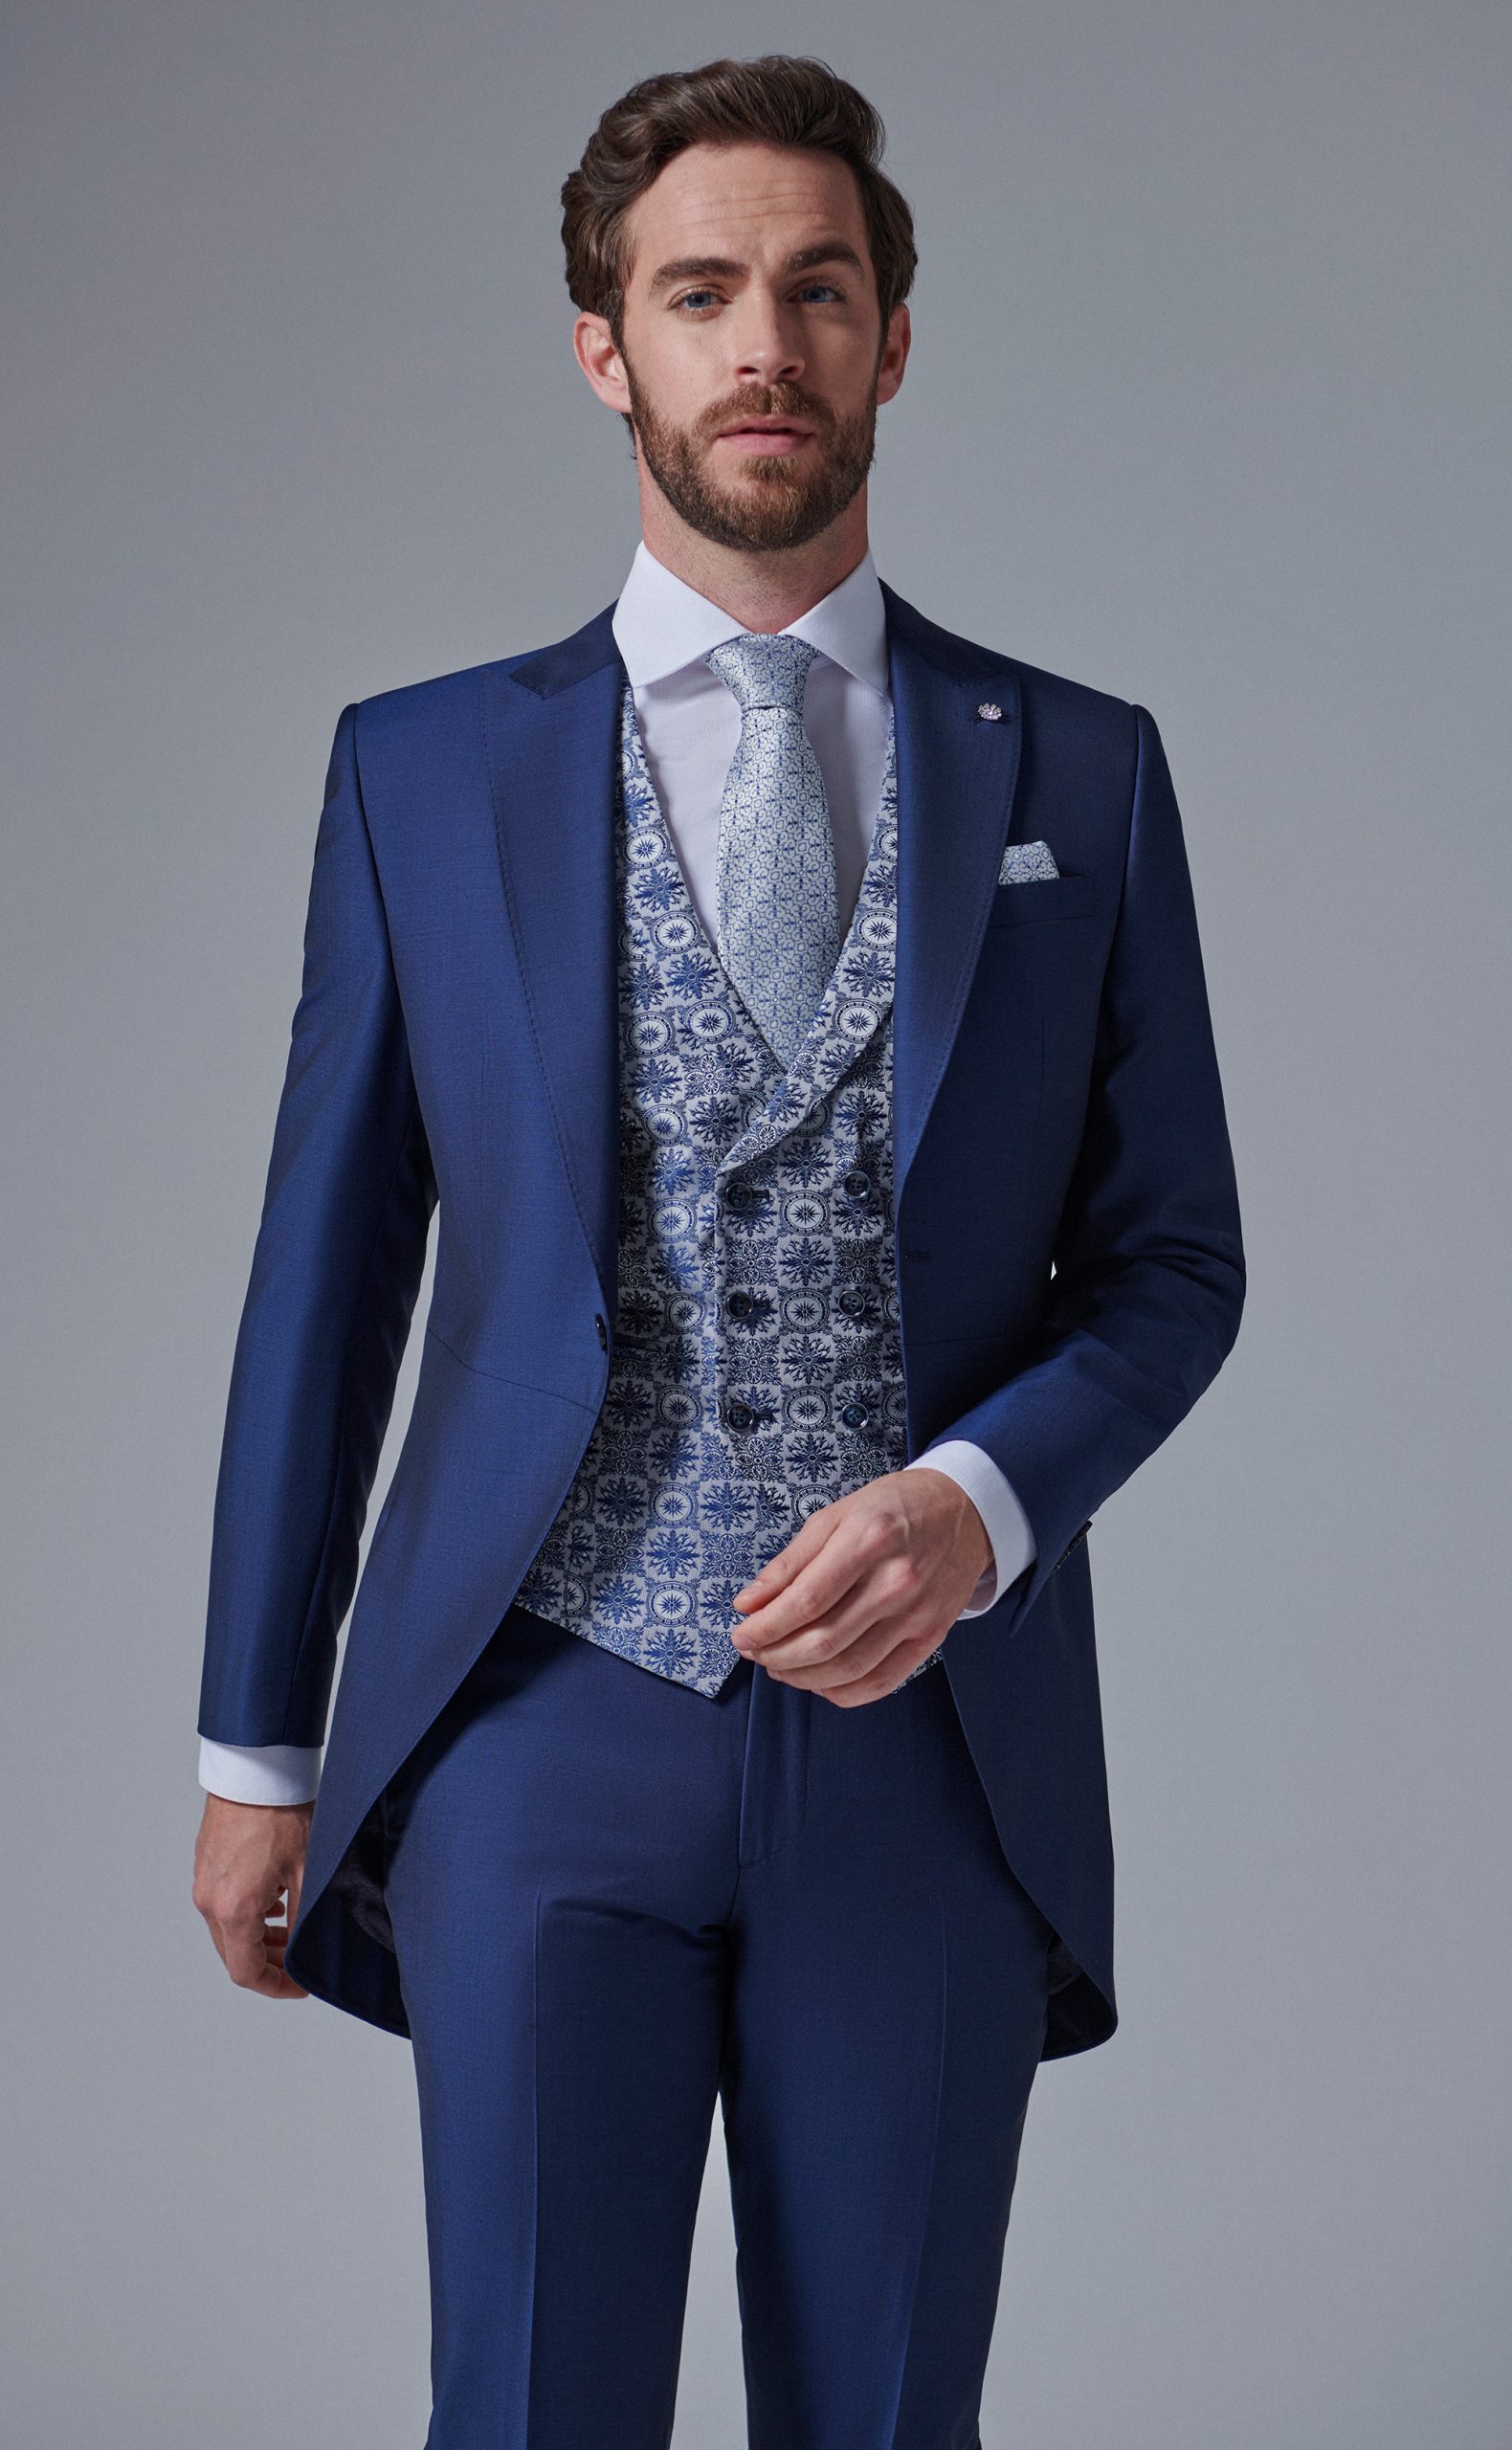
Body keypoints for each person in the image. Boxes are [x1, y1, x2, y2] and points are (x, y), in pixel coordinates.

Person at [192, 53, 1244, 2449]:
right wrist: (258, 1737)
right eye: (699, 294)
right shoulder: (422, 769)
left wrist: (974, 1507)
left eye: (815, 289)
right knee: (528, 2411)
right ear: (607, 347)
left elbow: (1174, 1257)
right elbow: (322, 1286)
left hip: (929, 1758)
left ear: (893, 339)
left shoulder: (1080, 771)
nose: (762, 343)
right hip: (537, 1722)